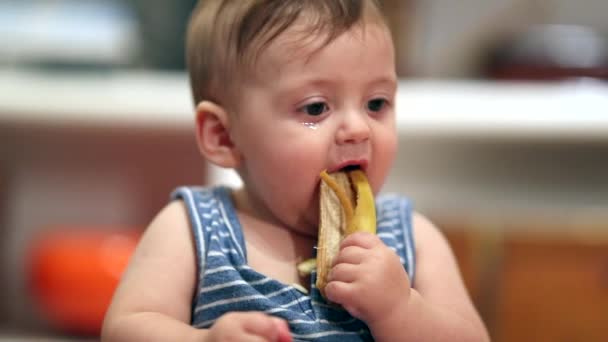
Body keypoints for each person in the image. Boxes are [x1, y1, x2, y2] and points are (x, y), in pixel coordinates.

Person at [102, 0, 489, 341]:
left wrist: (401, 311)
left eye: (376, 103)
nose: (358, 128)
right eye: (316, 108)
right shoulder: (193, 229)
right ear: (224, 136)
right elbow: (126, 327)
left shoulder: (412, 239)